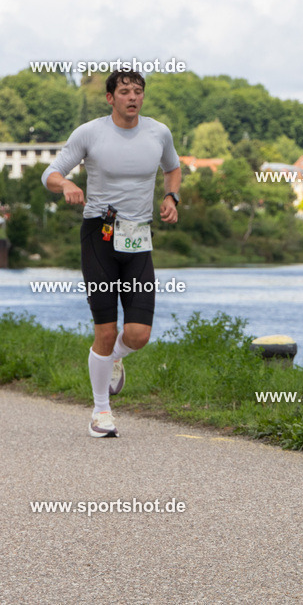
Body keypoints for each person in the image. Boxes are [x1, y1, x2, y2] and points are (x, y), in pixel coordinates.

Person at [43, 68, 181, 438]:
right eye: (124, 91)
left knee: (138, 334)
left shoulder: (159, 132)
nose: (132, 97)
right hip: (100, 237)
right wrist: (67, 184)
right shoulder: (90, 133)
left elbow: (173, 168)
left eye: (138, 91)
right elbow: (50, 174)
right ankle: (101, 412)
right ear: (110, 98)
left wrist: (171, 196)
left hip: (138, 238)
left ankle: (116, 358)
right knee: (105, 330)